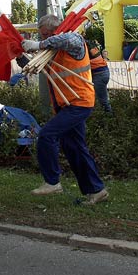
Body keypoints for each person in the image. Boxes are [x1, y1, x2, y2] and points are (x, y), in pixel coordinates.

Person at [21, 14, 108, 205]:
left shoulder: (72, 40)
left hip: (79, 102)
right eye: (41, 36)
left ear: (55, 31)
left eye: (45, 35)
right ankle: (97, 190)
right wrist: (22, 48)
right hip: (66, 105)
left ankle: (52, 182)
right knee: (74, 148)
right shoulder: (51, 50)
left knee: (46, 136)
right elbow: (31, 66)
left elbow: (68, 38)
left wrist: (39, 45)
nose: (43, 39)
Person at [86, 39, 112, 112]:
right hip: (103, 73)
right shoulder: (92, 46)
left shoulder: (86, 48)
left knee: (103, 99)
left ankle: (109, 117)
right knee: (103, 97)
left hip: (99, 75)